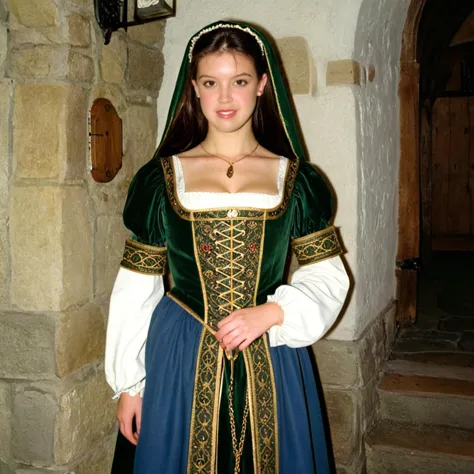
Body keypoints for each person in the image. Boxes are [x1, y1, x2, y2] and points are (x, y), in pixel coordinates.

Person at [105, 20, 350, 474]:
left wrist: (274, 312)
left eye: (238, 81)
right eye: (210, 82)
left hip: (272, 353)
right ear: (193, 89)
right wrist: (129, 384)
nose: (224, 98)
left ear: (261, 85)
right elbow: (136, 287)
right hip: (181, 351)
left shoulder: (296, 181)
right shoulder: (161, 180)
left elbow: (327, 275)